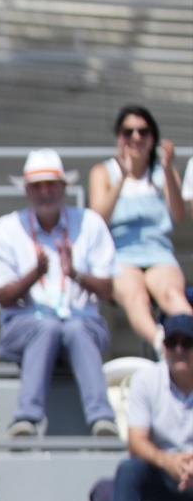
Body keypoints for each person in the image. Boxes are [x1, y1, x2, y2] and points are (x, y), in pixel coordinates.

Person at [0, 149, 119, 438]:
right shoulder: (6, 228)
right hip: (23, 328)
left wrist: (76, 275)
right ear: (27, 191)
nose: (45, 192)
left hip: (82, 325)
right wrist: (35, 275)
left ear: (63, 188)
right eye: (37, 186)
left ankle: (102, 420)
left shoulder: (91, 223)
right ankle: (27, 418)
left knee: (75, 328)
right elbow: (3, 297)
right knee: (46, 327)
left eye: (51, 185)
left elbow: (108, 290)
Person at [87, 105, 188, 351]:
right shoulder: (103, 172)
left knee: (173, 296)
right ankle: (164, 348)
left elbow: (178, 214)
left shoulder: (163, 172)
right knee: (137, 299)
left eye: (143, 132)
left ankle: (189, 341)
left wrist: (166, 169)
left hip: (158, 252)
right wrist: (122, 178)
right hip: (119, 255)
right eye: (128, 132)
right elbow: (97, 220)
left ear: (153, 137)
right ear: (118, 137)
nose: (136, 138)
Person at [103, 314, 193, 501]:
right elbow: (136, 442)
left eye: (187, 342)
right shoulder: (146, 380)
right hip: (164, 479)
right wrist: (168, 462)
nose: (179, 349)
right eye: (172, 342)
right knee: (130, 469)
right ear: (163, 346)